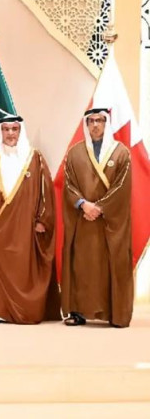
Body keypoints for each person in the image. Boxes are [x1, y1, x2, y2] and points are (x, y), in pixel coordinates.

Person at [0, 115, 60, 324]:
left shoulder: (34, 158)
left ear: (20, 131)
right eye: (6, 129)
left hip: (25, 228)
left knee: (22, 269)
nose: (10, 133)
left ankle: (26, 310)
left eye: (14, 129)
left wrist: (42, 220)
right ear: (0, 131)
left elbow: (46, 191)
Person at [61, 107, 133, 328]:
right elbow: (68, 184)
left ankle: (114, 313)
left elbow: (122, 186)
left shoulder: (121, 152)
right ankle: (78, 312)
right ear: (86, 124)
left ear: (106, 123)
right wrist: (83, 205)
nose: (95, 125)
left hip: (110, 221)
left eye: (100, 120)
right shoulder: (75, 153)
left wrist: (100, 207)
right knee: (81, 266)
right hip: (83, 220)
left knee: (112, 265)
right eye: (91, 121)